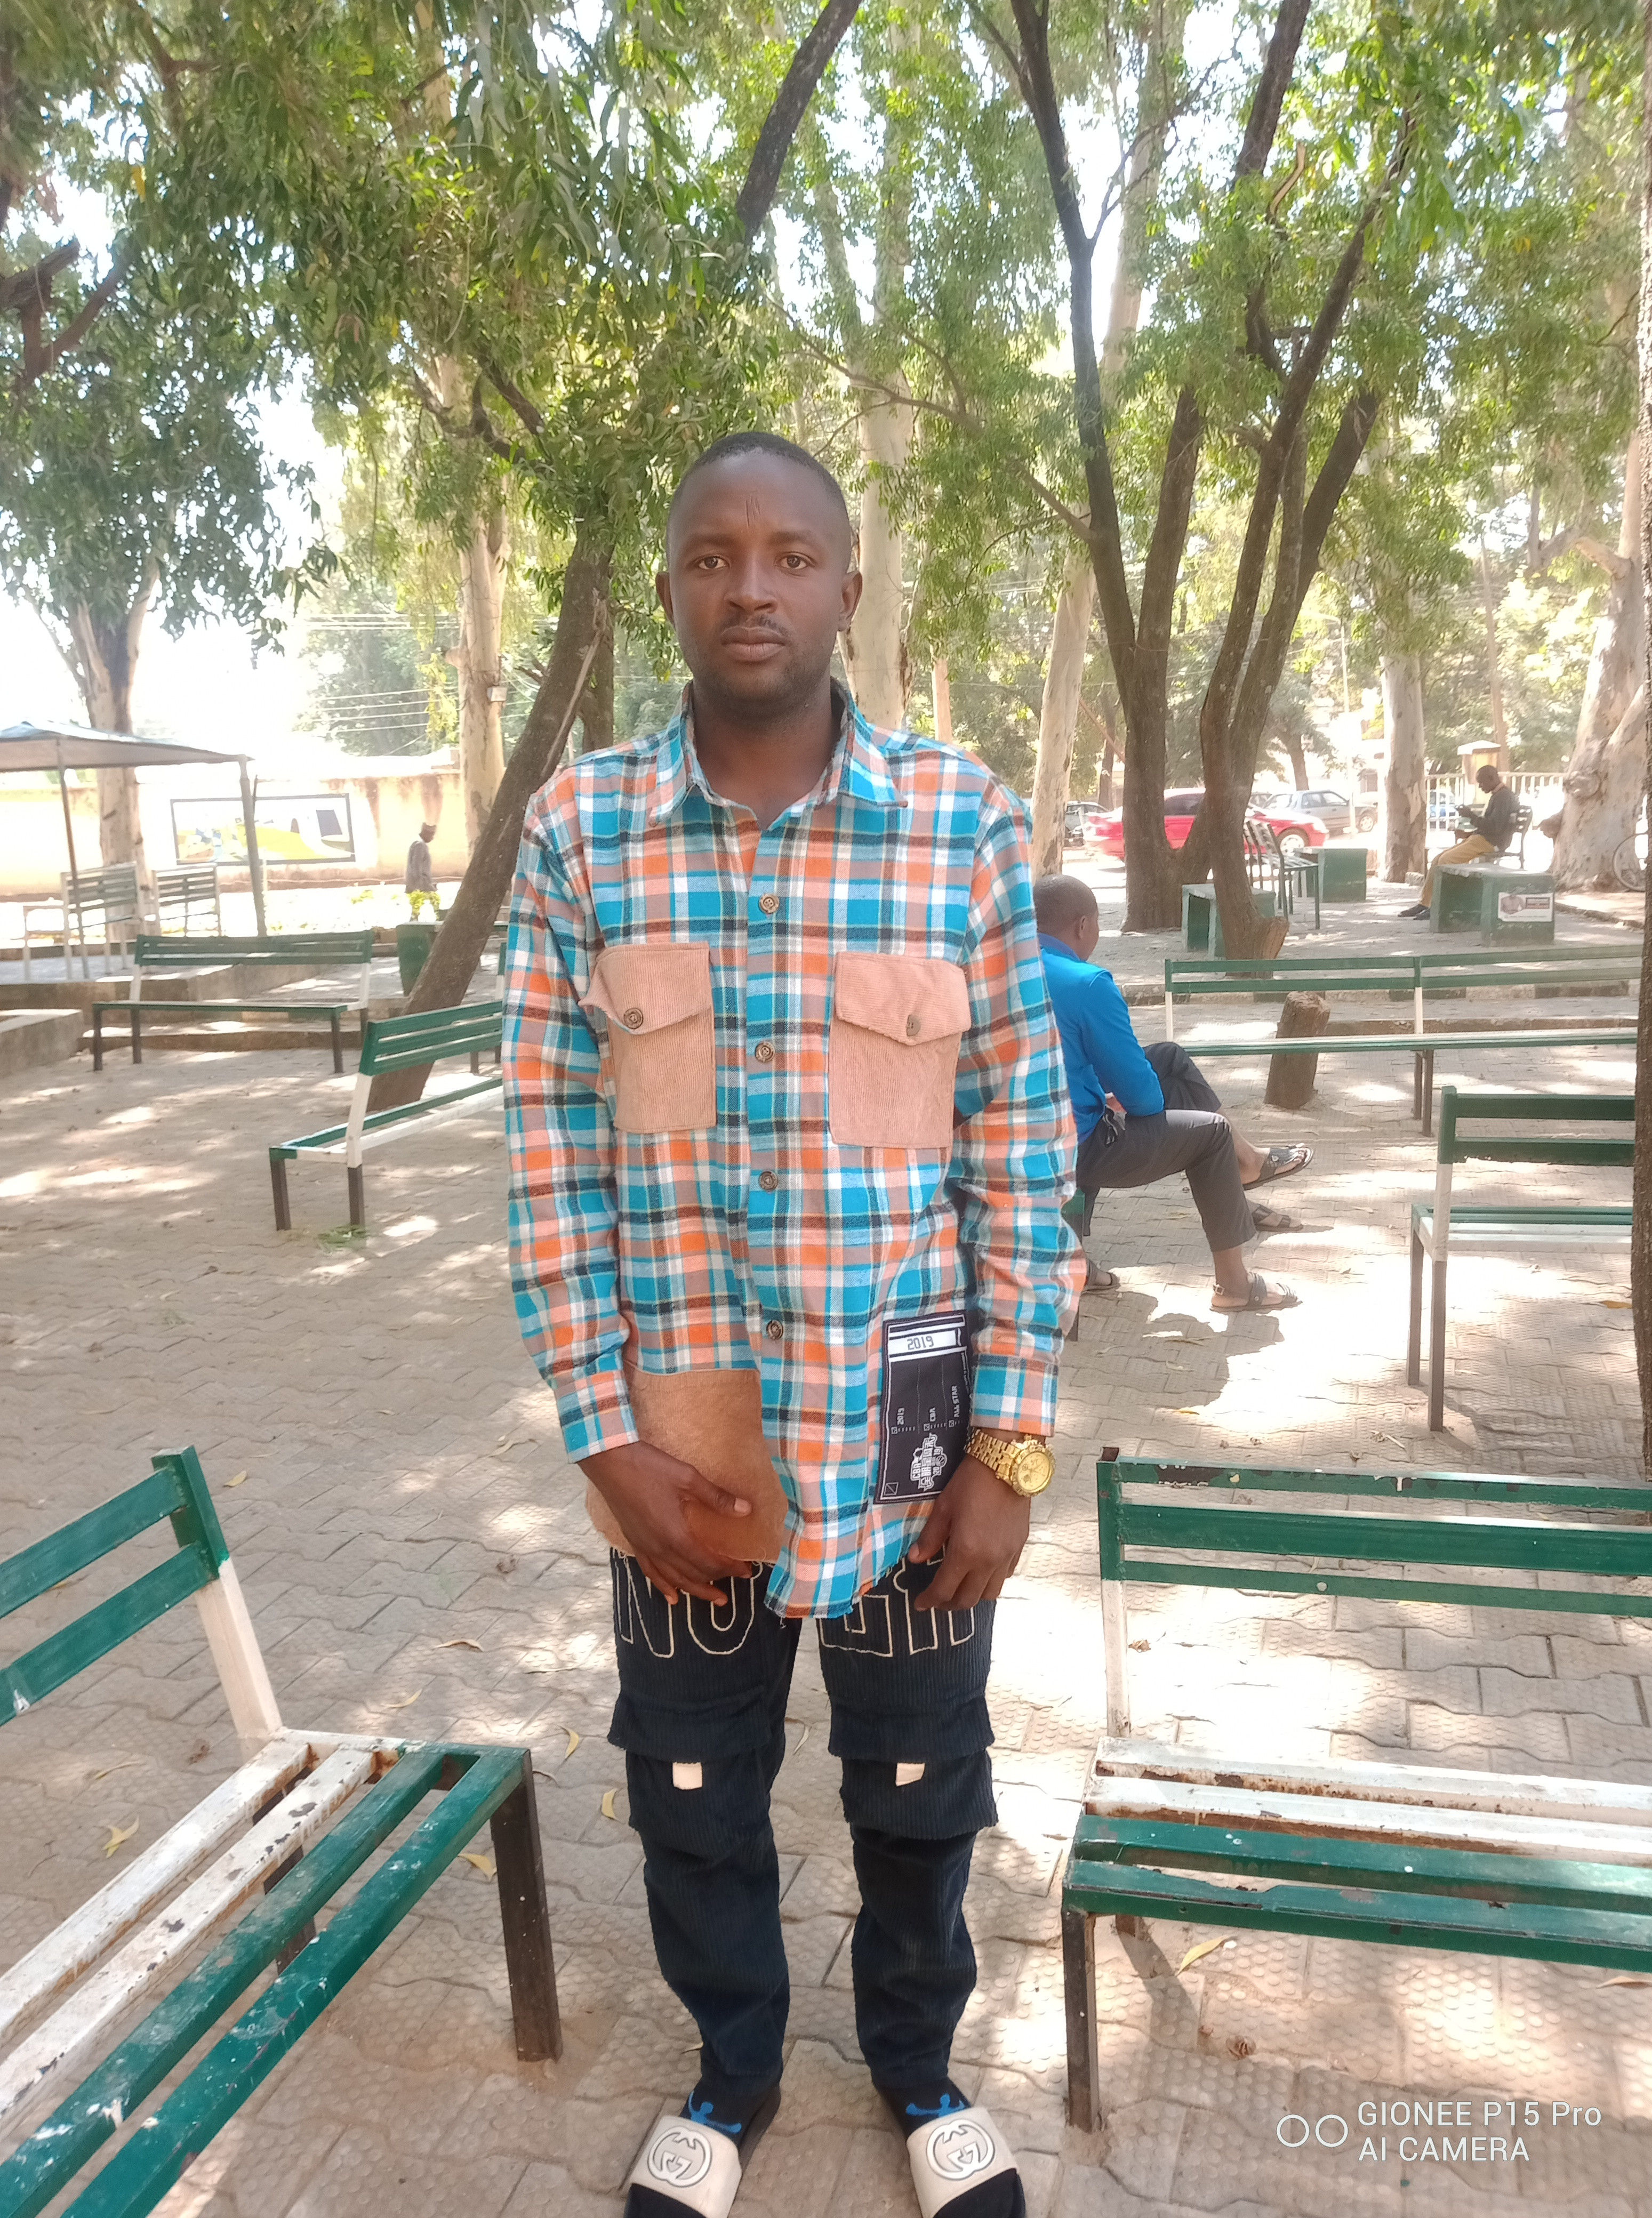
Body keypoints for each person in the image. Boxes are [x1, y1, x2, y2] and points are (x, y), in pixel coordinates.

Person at [503, 430, 1081, 2218]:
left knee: (920, 1784)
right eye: (712, 556)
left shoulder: (959, 826)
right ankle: (733, 2075)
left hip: (910, 1449)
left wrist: (1008, 1449)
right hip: (683, 1455)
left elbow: (1020, 1155)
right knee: (693, 1788)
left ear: (847, 588)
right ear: (670, 590)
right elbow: (548, 1162)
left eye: (788, 557)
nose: (749, 587)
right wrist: (601, 1439)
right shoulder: (582, 834)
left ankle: (918, 2067)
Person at [1033, 873, 1309, 1314]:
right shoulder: (1087, 984)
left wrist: (1104, 1088)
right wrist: (1117, 1097)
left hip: (1012, 1132)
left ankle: (1247, 1164)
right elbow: (1144, 1100)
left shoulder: (998, 970)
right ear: (1083, 925)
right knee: (1211, 1134)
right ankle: (1235, 1285)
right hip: (1072, 1147)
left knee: (1167, 1057)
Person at [1399, 766, 1518, 918]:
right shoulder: (1498, 795)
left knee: (1446, 860)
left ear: (1492, 779)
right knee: (1437, 860)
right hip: (1482, 839)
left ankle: (1439, 906)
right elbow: (1491, 826)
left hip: (1491, 843)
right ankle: (1425, 903)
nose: (1480, 787)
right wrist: (1469, 833)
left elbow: (1495, 828)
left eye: (1482, 783)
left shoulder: (1504, 797)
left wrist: (1471, 816)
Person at [405, 821, 441, 918]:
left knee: (418, 907)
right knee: (435, 902)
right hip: (421, 883)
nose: (432, 838)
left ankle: (414, 920)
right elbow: (416, 866)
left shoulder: (419, 844)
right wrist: (419, 885)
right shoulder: (420, 845)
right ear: (426, 833)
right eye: (431, 835)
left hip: (423, 883)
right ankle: (440, 920)